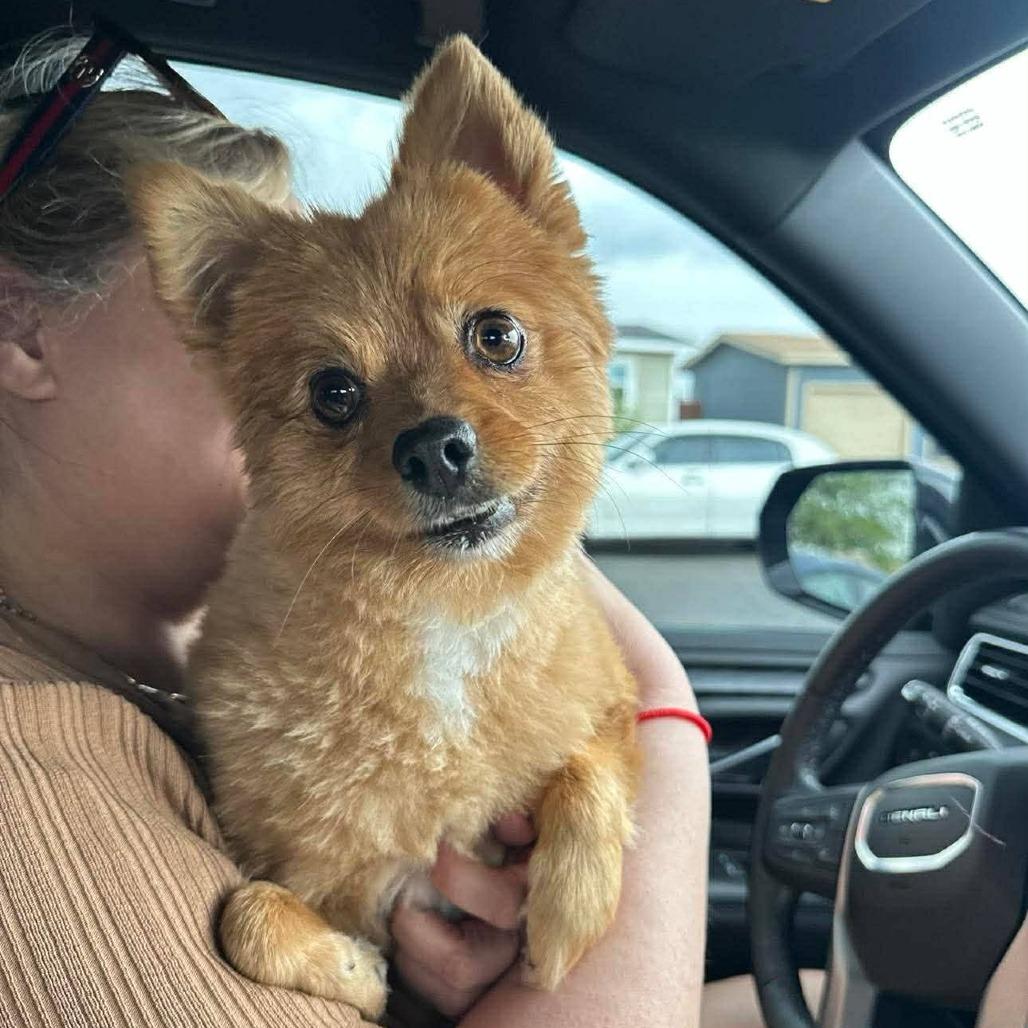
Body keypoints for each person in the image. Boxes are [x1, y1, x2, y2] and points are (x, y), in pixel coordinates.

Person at [0, 35, 719, 1028]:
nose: (427, 437)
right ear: (18, 328)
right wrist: (666, 717)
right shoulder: (30, 794)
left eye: (493, 339)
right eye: (332, 390)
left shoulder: (150, 670)